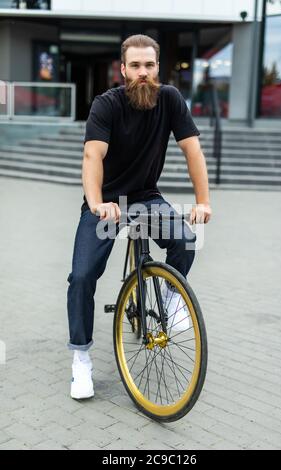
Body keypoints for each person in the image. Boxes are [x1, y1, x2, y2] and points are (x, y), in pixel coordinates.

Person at [67, 34, 212, 400]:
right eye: (135, 66)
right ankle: (81, 359)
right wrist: (98, 202)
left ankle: (170, 296)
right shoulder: (106, 105)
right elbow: (92, 158)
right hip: (107, 203)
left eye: (149, 65)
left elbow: (192, 150)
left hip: (146, 197)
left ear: (158, 68)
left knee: (187, 238)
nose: (143, 73)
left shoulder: (170, 100)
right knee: (82, 276)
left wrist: (203, 201)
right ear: (123, 70)